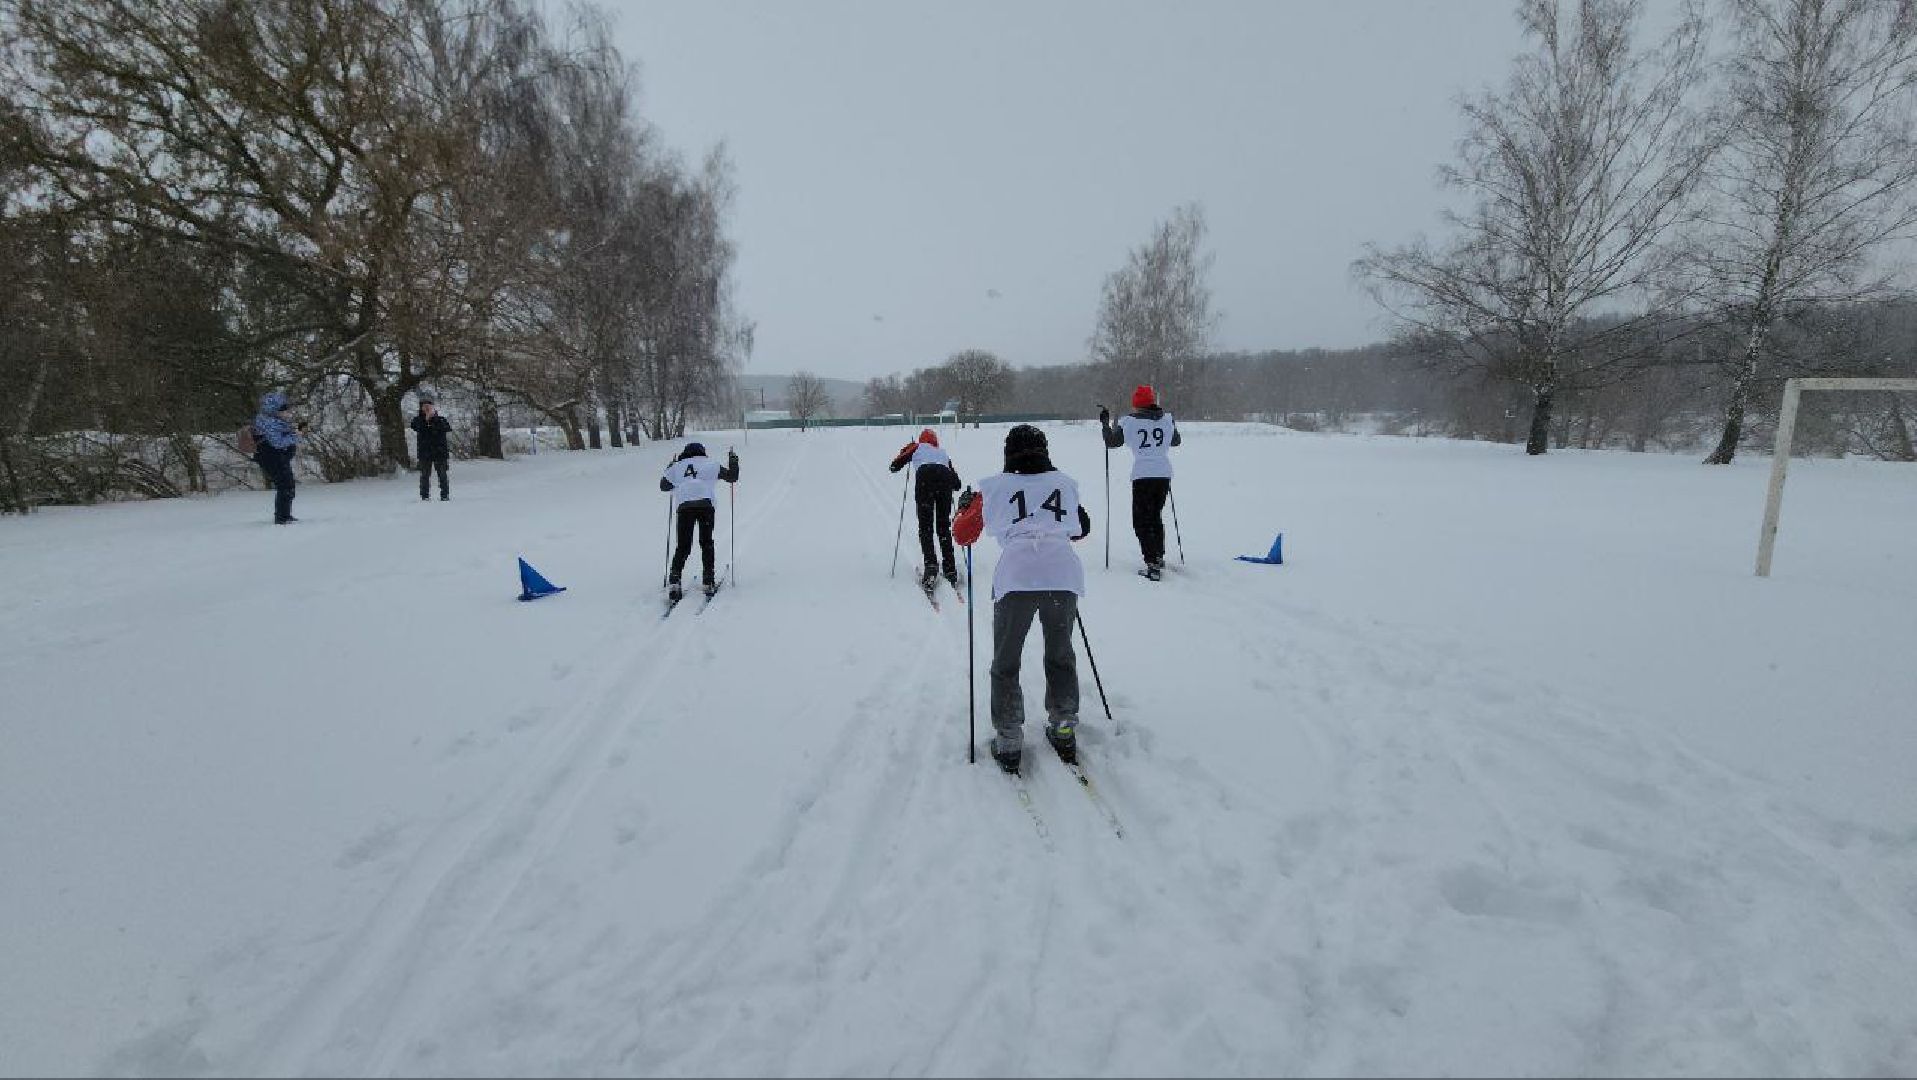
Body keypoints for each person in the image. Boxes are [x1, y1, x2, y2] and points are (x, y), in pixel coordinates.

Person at [953, 424, 1093, 774]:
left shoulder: (994, 487)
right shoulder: (1064, 482)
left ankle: (1009, 737)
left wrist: (965, 507)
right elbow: (1081, 528)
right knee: (1060, 653)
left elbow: (963, 534)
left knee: (1006, 660)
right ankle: (1063, 724)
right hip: (1062, 576)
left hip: (1016, 577)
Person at [1100, 384, 1182, 579]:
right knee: (1155, 516)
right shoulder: (1167, 419)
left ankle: (1151, 563)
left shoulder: (1129, 422)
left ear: (1137, 405)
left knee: (1141, 520)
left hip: (1143, 474)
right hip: (1163, 474)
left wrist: (1105, 424)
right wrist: (1170, 425)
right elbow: (1176, 441)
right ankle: (1158, 555)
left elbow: (1112, 443)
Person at [659, 441, 740, 600]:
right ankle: (708, 580)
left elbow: (664, 486)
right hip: (705, 505)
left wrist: (670, 467)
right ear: (702, 452)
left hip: (684, 506)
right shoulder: (710, 464)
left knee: (683, 546)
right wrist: (733, 460)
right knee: (706, 542)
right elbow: (732, 477)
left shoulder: (679, 466)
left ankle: (675, 581)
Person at [888, 427, 962, 589]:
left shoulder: (917, 446)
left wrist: (906, 450)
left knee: (926, 527)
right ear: (935, 441)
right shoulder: (943, 453)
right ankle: (950, 570)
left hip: (925, 479)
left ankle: (931, 567)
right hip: (944, 479)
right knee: (943, 527)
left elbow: (894, 466)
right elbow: (957, 484)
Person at [250, 391, 306, 524]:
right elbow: (278, 442)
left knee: (287, 485)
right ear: (273, 410)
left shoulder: (274, 421)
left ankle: (285, 515)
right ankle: (282, 517)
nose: (288, 413)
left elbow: (283, 438)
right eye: (284, 411)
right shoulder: (268, 423)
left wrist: (295, 432)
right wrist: (296, 435)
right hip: (271, 458)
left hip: (276, 457)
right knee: (285, 486)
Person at [410, 392, 452, 501]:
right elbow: (416, 427)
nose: (427, 408)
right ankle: (424, 495)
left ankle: (444, 495)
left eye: (429, 406)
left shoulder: (441, 420)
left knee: (442, 475)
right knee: (424, 475)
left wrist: (434, 419)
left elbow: (446, 428)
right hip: (425, 452)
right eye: (424, 406)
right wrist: (426, 419)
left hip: (440, 452)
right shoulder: (417, 420)